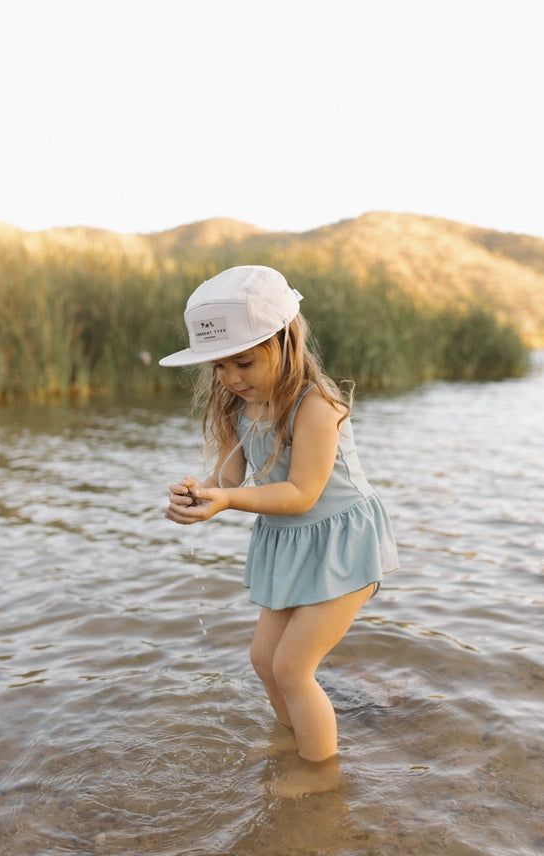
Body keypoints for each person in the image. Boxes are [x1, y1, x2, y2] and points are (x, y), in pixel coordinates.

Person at [160, 265, 399, 797]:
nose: (230, 377)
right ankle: (297, 741)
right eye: (219, 366)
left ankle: (321, 775)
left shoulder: (317, 406)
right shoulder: (240, 404)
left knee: (293, 667)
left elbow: (301, 494)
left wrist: (226, 501)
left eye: (243, 361)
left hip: (340, 544)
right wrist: (202, 492)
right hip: (289, 544)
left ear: (286, 341)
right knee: (264, 659)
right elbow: (231, 477)